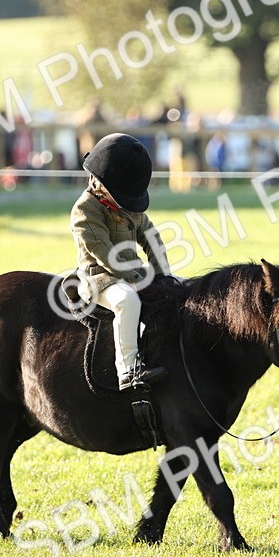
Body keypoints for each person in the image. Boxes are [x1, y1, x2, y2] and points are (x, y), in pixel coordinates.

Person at [71, 133, 172, 393]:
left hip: (132, 274)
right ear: (103, 184)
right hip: (98, 279)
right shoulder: (85, 211)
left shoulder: (130, 209)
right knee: (127, 301)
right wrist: (140, 282)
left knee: (180, 290)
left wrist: (163, 277)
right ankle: (127, 369)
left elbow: (153, 240)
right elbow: (105, 255)